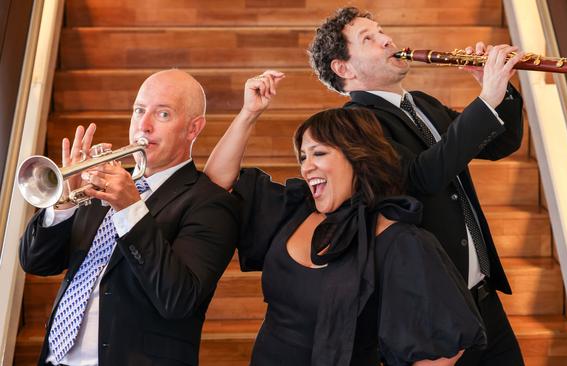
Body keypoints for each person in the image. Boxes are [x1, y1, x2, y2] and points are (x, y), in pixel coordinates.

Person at [204, 71, 486, 366]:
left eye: (319, 153)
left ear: (358, 157)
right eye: (303, 157)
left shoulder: (399, 241)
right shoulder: (294, 209)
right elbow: (218, 181)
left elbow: (444, 349)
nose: (306, 167)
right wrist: (249, 113)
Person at [308, 7, 526, 365]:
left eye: (381, 31)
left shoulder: (421, 103)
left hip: (485, 301)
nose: (386, 39)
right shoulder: (352, 125)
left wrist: (500, 88)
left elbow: (502, 143)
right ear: (343, 68)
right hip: (434, 311)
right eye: (369, 38)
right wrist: (485, 99)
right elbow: (424, 177)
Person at [19, 69, 239, 366]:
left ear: (193, 128)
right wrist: (63, 202)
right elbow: (36, 262)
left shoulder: (209, 203)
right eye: (138, 110)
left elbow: (179, 299)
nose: (143, 126)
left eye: (162, 114)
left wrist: (131, 209)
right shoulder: (101, 186)